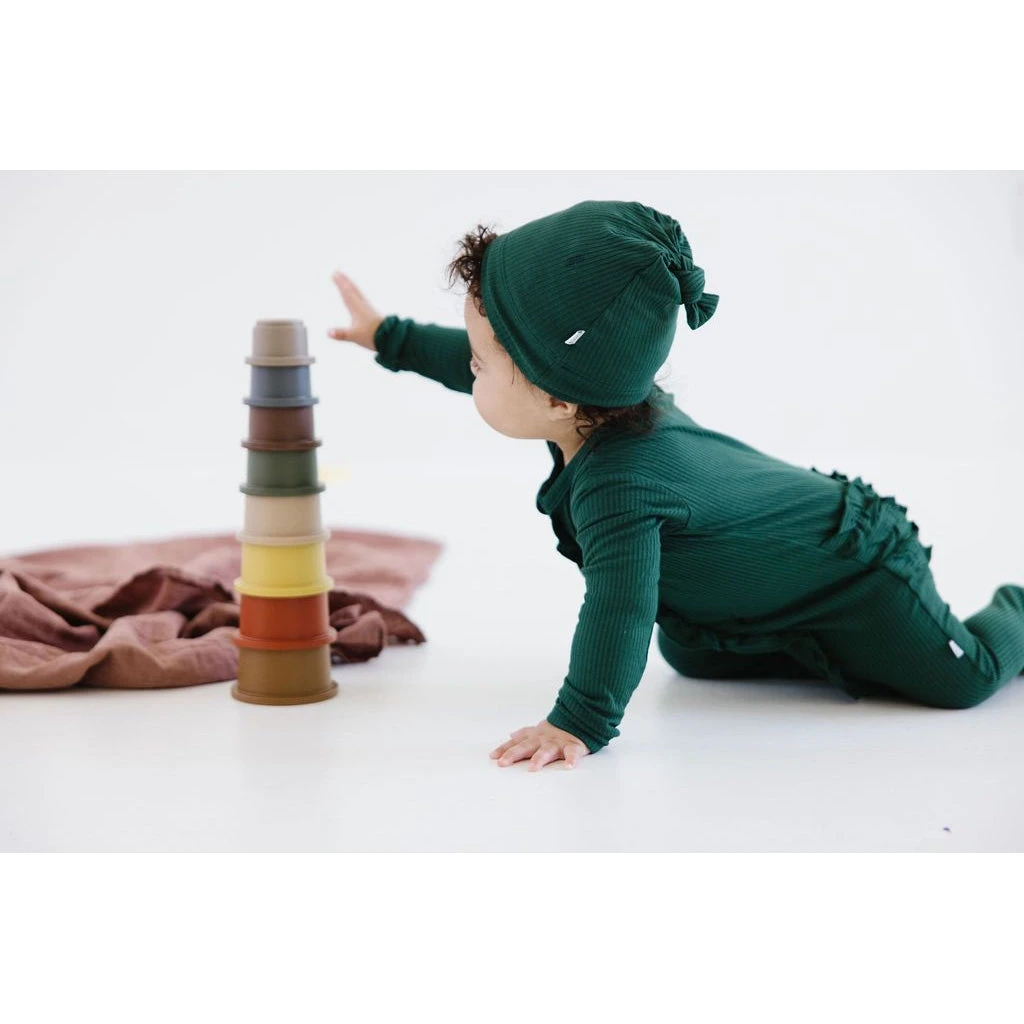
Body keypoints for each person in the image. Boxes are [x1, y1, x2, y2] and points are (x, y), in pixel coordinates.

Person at [327, 199, 1024, 772]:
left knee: (962, 681)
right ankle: (806, 636)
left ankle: (1012, 610)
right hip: (762, 588)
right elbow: (478, 359)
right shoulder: (595, 401)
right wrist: (390, 336)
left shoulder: (619, 486)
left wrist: (579, 720)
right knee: (690, 652)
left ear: (559, 398)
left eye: (481, 364)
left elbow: (620, 608)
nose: (470, 367)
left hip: (862, 568)